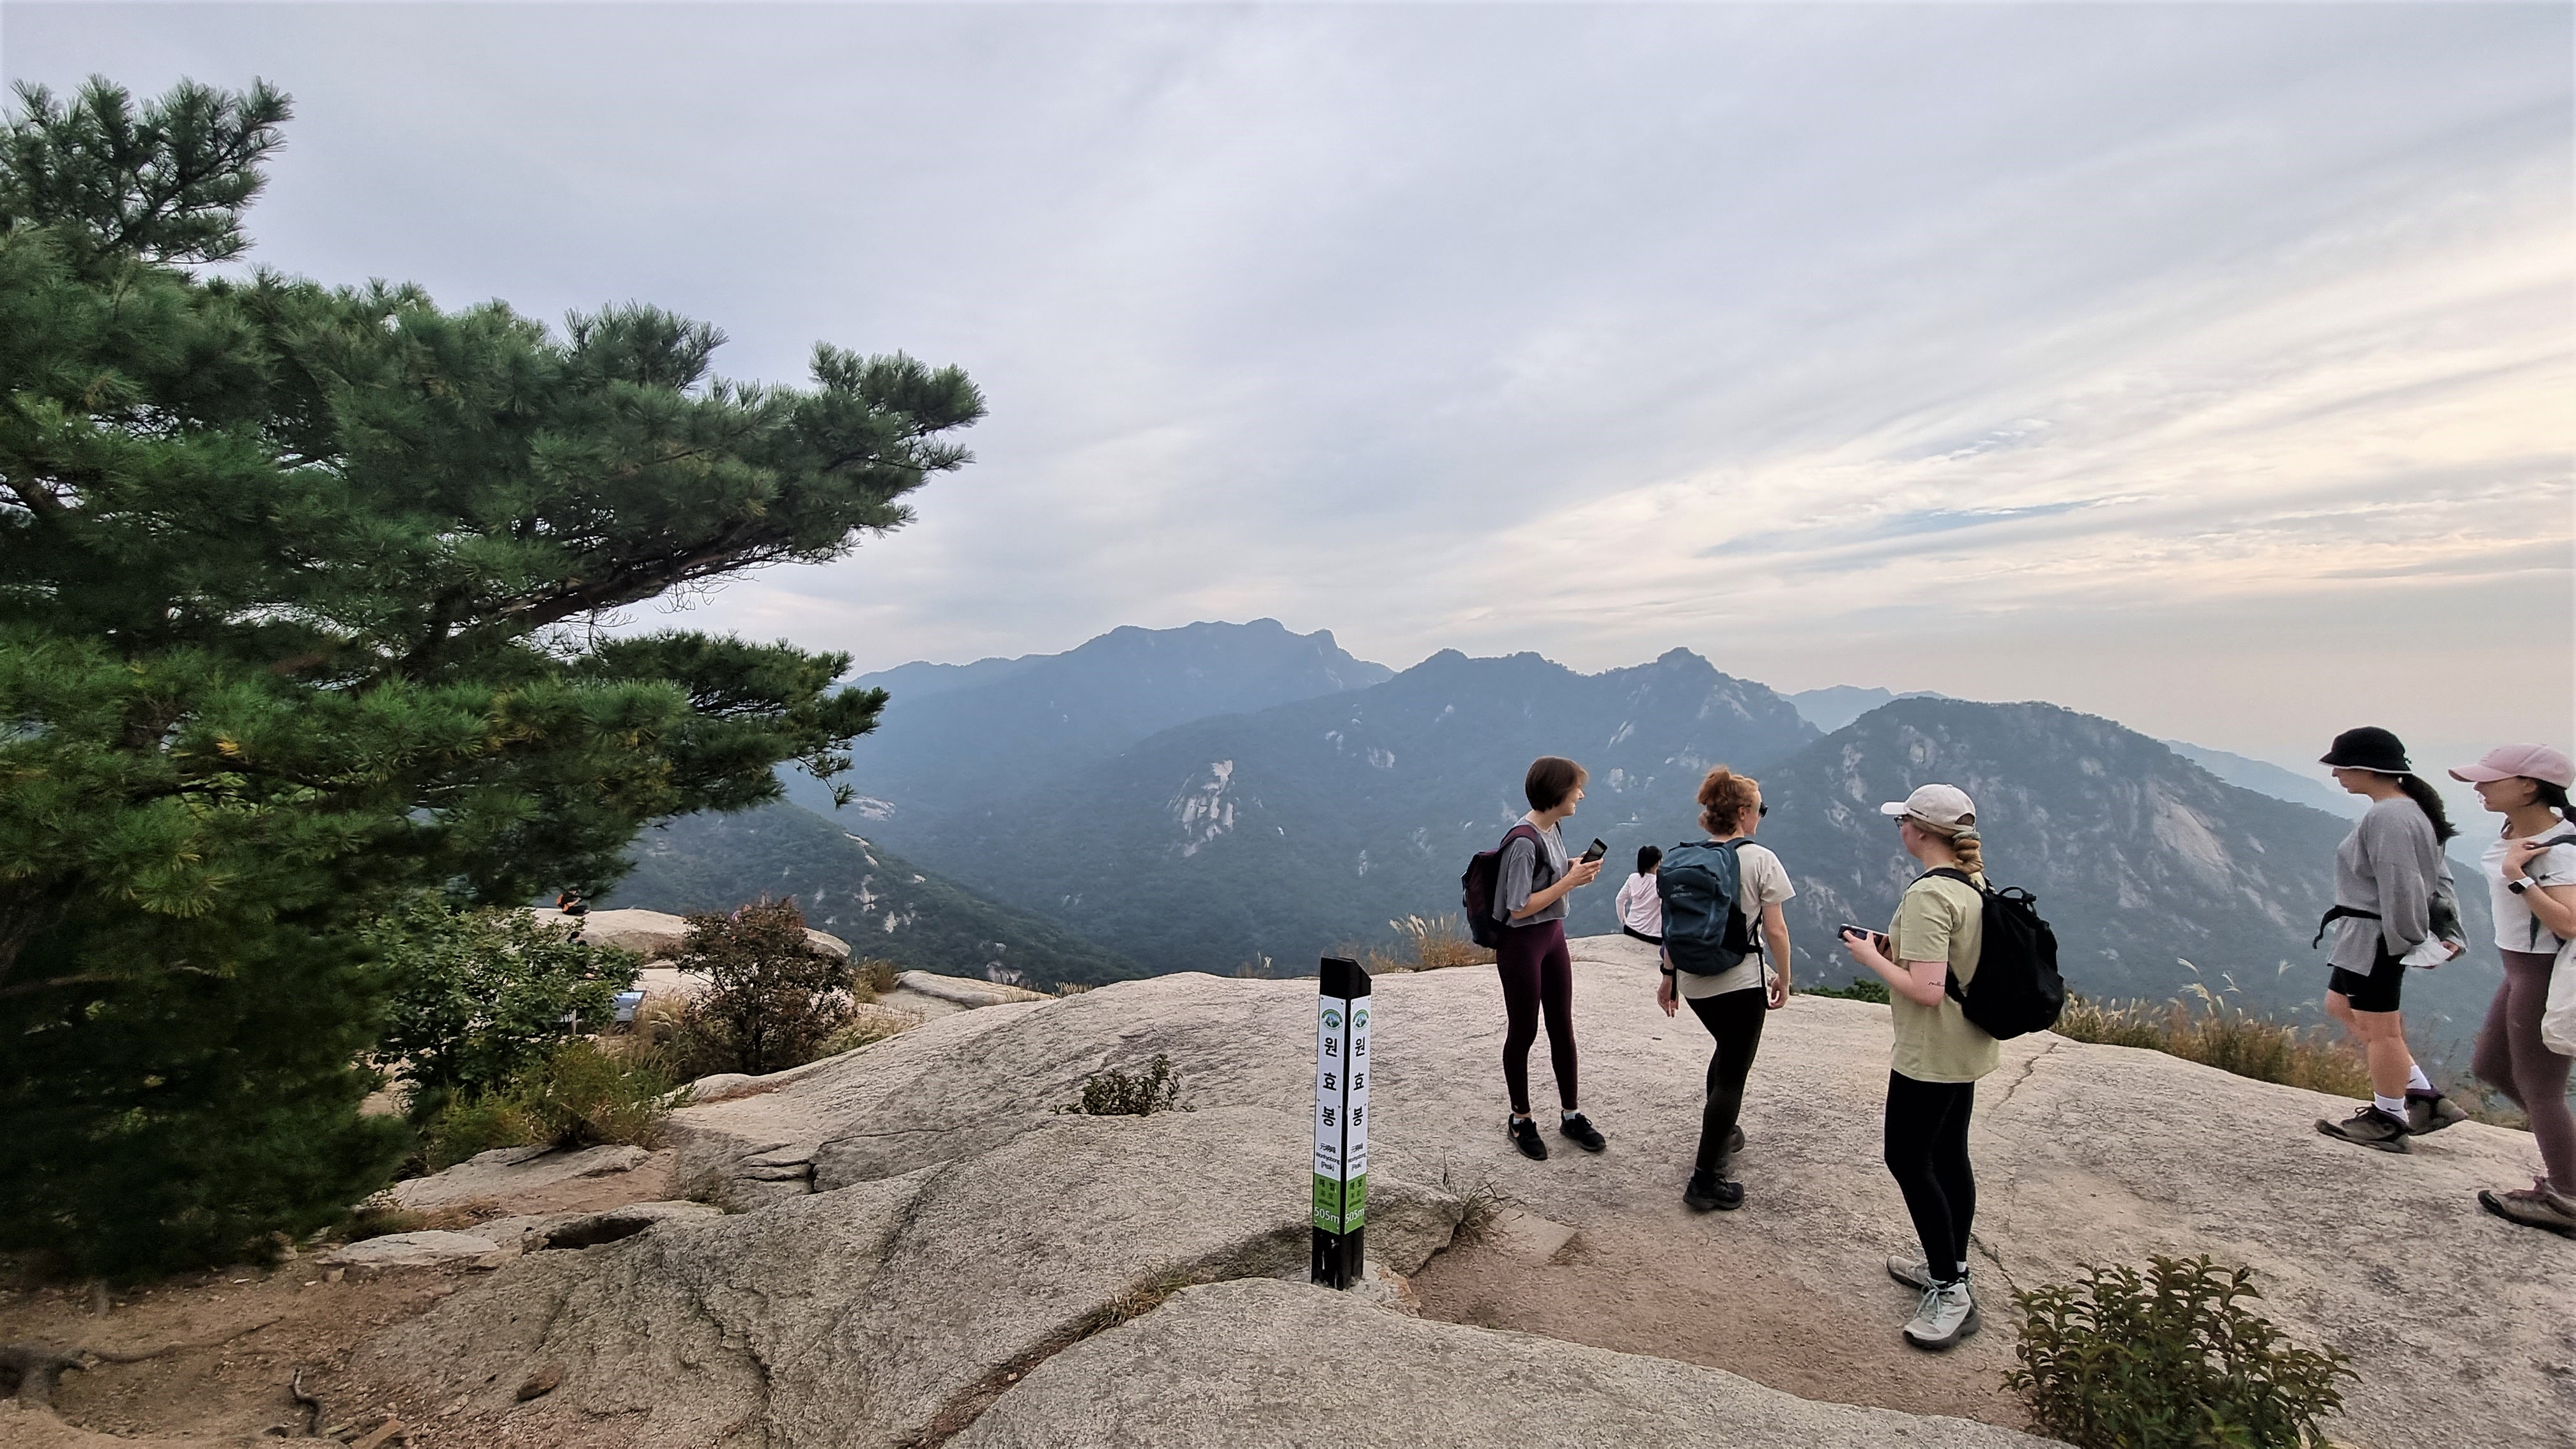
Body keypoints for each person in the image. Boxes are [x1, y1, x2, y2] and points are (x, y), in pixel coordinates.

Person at [1837, 783, 1995, 1352]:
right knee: (1949, 1154)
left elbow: (1927, 992)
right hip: (1966, 1044)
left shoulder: (1931, 895)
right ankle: (1950, 1265)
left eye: (1901, 820)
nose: (1898, 829)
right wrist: (1891, 946)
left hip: (1931, 1052)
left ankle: (1951, 1290)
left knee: (1905, 1157)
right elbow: (1949, 966)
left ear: (1920, 831)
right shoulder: (1971, 880)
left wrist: (1870, 957)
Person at [2311, 727, 2471, 1151]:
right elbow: (2439, 876)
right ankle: (2424, 1097)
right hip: (2362, 934)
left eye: (2341, 767)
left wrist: (2410, 942)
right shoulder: (2406, 810)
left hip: (2376, 935)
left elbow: (2401, 885)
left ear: (2368, 769)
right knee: (2341, 1006)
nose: (2336, 776)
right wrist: (2447, 929)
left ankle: (2388, 1119)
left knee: (2381, 1031)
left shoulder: (2390, 816)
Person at [1654, 767, 1793, 1212]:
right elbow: (1776, 932)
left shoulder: (1684, 859)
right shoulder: (1760, 859)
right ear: (1744, 813)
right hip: (1739, 981)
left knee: (1725, 1052)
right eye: (1760, 810)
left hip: (1695, 981)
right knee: (1733, 1073)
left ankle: (1723, 1135)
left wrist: (1669, 975)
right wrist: (1785, 978)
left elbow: (1672, 925)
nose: (1761, 817)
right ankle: (1705, 1179)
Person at [2451, 744, 2576, 1234]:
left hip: (2543, 972)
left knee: (2540, 1088)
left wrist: (2517, 877)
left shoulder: (2559, 848)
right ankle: (2567, 1162)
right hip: (2520, 970)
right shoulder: (2521, 830)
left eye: (2490, 780)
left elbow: (2570, 923)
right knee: (2490, 1066)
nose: (2479, 787)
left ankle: (2567, 1197)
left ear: (2529, 786)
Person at [1492, 755, 1606, 1161]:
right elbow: (1518, 906)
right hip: (1522, 943)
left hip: (1552, 936)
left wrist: (1572, 868)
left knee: (1562, 1025)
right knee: (1523, 1031)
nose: (1581, 793)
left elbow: (1549, 879)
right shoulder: (1523, 842)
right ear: (1558, 793)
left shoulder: (1552, 828)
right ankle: (1520, 1118)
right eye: (1576, 787)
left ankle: (1571, 1115)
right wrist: (1570, 881)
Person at [1615, 846, 1665, 946]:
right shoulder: (1661, 883)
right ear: (1658, 863)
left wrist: (1624, 920)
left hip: (1630, 929)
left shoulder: (1633, 878)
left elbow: (1619, 900)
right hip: (1653, 936)